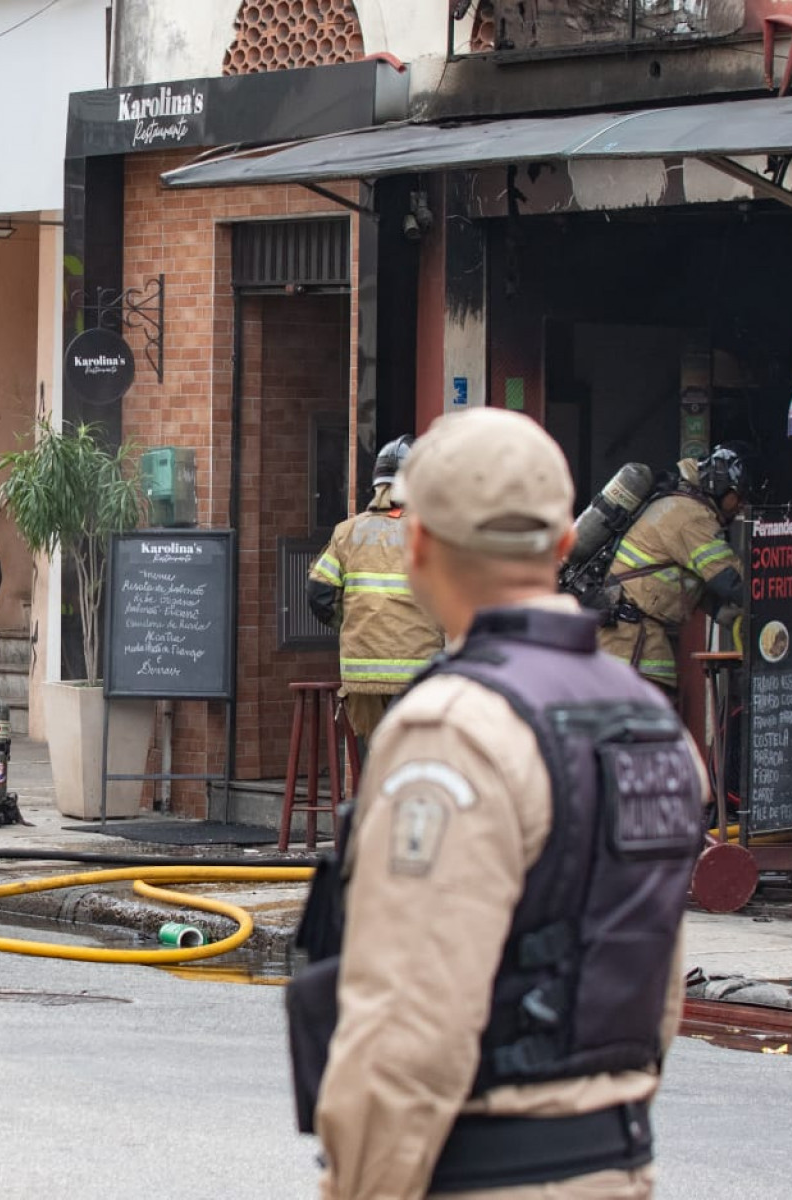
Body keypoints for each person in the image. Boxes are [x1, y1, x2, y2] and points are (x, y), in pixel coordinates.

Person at [289, 408, 705, 1199]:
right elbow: (655, 992)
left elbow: (411, 1029)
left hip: (480, 1171)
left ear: (418, 543)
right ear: (562, 543)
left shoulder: (455, 731)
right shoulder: (651, 724)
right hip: (617, 1165)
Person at [306, 435, 444, 744]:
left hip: (362, 677)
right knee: (416, 757)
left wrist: (353, 622)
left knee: (375, 758)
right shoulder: (432, 533)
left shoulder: (347, 532)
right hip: (419, 677)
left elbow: (319, 595)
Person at [595, 443, 754, 694]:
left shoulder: (678, 504)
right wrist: (775, 602)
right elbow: (731, 579)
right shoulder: (692, 517)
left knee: (656, 703)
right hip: (630, 642)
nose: (741, 505)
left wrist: (722, 611)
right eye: (739, 495)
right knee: (644, 710)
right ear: (722, 487)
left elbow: (678, 578)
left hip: (632, 636)